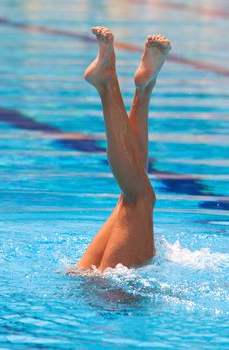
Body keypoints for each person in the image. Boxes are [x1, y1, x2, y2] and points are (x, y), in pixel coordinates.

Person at [78, 27, 171, 271]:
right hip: (91, 283)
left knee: (139, 198)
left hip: (110, 292)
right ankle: (144, 89)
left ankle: (107, 82)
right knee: (131, 194)